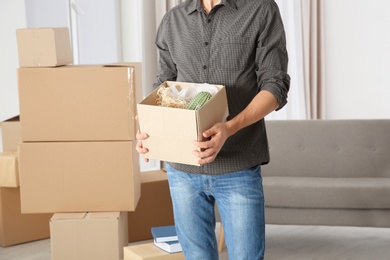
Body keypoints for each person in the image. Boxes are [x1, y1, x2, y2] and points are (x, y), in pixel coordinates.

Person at [136, 0, 290, 259]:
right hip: (182, 171)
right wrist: (150, 132)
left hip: (238, 166)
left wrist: (229, 128)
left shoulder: (261, 10)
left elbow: (275, 86)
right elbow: (164, 89)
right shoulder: (173, 21)